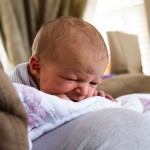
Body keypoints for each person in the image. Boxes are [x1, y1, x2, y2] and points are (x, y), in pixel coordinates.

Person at [9, 16, 115, 102]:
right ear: (37, 67)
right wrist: (49, 104)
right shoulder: (13, 89)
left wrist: (96, 102)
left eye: (93, 83)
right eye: (72, 79)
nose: (84, 91)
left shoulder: (82, 92)